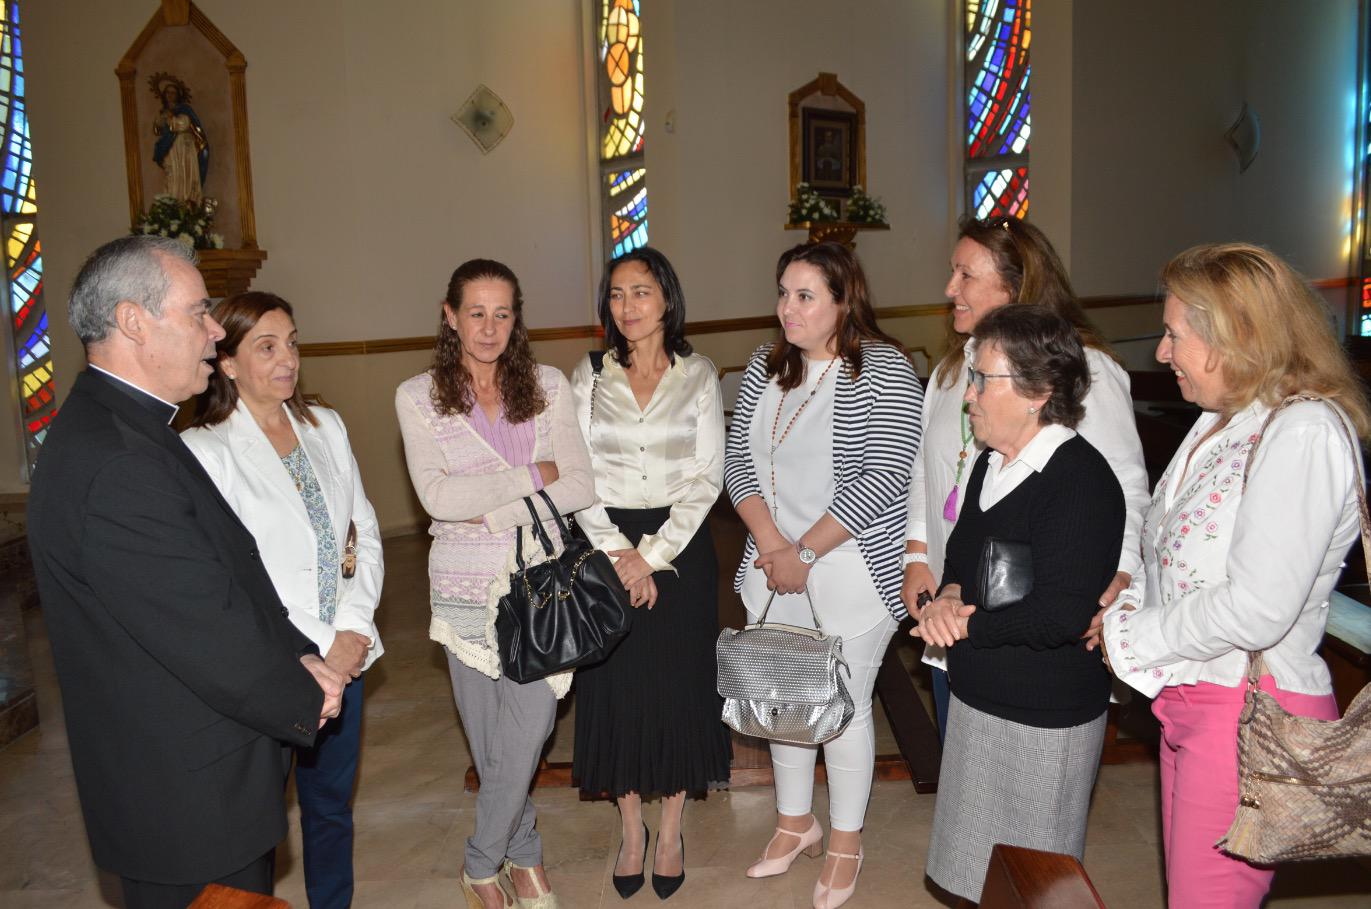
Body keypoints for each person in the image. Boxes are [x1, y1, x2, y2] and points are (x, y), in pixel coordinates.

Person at [26, 236, 343, 909]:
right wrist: (304, 688)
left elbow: (226, 568)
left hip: (194, 784)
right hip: (182, 799)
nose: (211, 331)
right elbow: (203, 625)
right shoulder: (116, 461)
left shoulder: (129, 428)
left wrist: (296, 650)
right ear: (134, 321)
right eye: (198, 312)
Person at [1097, 244, 1370, 909]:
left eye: (1174, 334)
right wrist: (1123, 592)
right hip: (1195, 693)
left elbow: (1258, 607)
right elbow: (1166, 541)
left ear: (1237, 337)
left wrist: (1129, 636)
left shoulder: (1302, 431)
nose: (1161, 353)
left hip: (1248, 708)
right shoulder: (1221, 421)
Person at [724, 241, 922, 909]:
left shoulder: (883, 368)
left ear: (845, 300)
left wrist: (804, 552)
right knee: (781, 701)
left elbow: (886, 474)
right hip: (772, 559)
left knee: (840, 709)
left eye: (805, 294)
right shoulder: (764, 365)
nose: (787, 307)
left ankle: (843, 840)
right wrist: (772, 543)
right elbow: (737, 463)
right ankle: (793, 823)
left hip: (850, 565)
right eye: (782, 292)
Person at [901, 215, 1148, 739]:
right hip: (956, 591)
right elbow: (928, 467)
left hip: (1031, 610)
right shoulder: (954, 368)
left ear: (1014, 287)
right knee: (964, 749)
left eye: (966, 275)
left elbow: (1121, 482)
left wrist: (1120, 577)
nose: (950, 290)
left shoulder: (1087, 370)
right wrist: (919, 557)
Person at [396, 258, 594, 909]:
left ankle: (482, 863)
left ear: (517, 317)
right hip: (461, 587)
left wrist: (494, 507)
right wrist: (531, 474)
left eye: (502, 312)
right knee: (489, 739)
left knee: (528, 726)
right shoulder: (416, 396)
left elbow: (581, 484)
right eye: (475, 312)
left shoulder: (547, 384)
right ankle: (527, 856)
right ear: (449, 315)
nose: (489, 327)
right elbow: (435, 496)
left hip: (541, 586)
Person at [916, 304, 1124, 904]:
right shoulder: (989, 463)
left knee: (1036, 887)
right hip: (981, 701)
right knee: (974, 875)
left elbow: (1061, 612)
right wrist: (946, 600)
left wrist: (966, 629)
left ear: (1037, 392)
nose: (969, 395)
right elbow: (961, 558)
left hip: (1044, 718)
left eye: (983, 379)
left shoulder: (1079, 481)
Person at [181, 292, 383, 909]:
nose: (287, 358)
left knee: (330, 810)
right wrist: (319, 648)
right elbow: (233, 579)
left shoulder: (326, 426)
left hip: (343, 661)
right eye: (266, 346)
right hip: (272, 669)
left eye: (292, 341)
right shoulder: (205, 451)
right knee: (257, 828)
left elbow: (363, 533)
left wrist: (350, 633)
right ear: (229, 362)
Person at [569, 247, 732, 901]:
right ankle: (630, 828)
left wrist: (652, 554)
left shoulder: (699, 374)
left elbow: (706, 478)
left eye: (640, 291)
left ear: (666, 296)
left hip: (681, 549)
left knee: (676, 689)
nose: (627, 306)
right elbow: (573, 473)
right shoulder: (586, 374)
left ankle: (670, 830)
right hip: (603, 541)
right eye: (615, 294)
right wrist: (617, 552)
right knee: (617, 690)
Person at [151, 78, 209, 205]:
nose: (170, 95)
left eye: (173, 93)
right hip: (170, 148)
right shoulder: (162, 112)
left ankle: (187, 200)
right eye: (168, 93)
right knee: (172, 174)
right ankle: (173, 201)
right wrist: (160, 120)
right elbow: (157, 130)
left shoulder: (184, 110)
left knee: (185, 173)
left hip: (184, 145)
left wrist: (171, 117)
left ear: (178, 95)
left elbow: (184, 124)